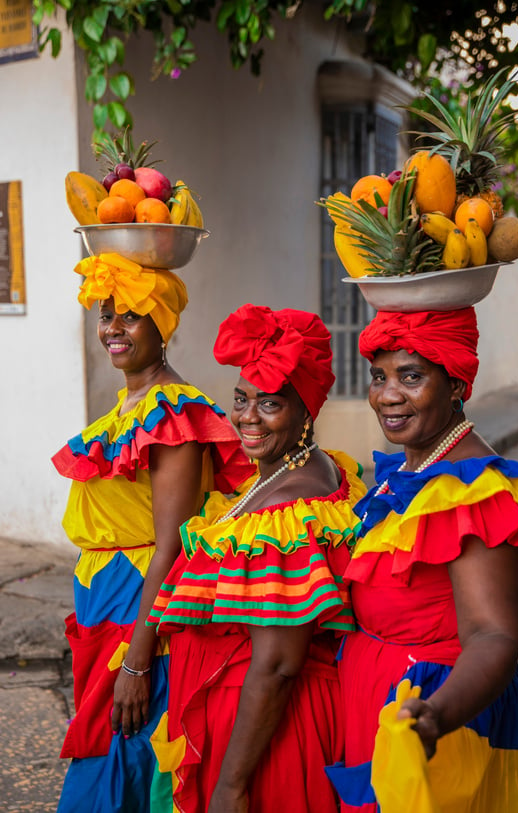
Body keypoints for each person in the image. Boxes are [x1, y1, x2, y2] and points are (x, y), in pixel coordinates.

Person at [146, 303, 367, 813]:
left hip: (268, 740)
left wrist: (231, 785)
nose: (247, 417)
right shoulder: (312, 469)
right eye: (241, 400)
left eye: (269, 404)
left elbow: (277, 663)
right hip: (250, 719)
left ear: (306, 410)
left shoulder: (287, 514)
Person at [52, 253, 253, 813]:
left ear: (162, 324)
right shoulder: (130, 406)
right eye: (105, 313)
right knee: (108, 750)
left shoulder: (174, 416)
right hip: (106, 605)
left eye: (132, 315)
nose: (113, 328)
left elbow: (171, 546)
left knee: (122, 763)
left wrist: (138, 663)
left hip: (140, 617)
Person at [326, 307, 518, 813]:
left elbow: (495, 635)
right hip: (384, 707)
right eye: (379, 376)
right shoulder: (410, 469)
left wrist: (436, 716)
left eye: (411, 376)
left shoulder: (470, 492)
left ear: (456, 386)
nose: (387, 395)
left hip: (439, 724)